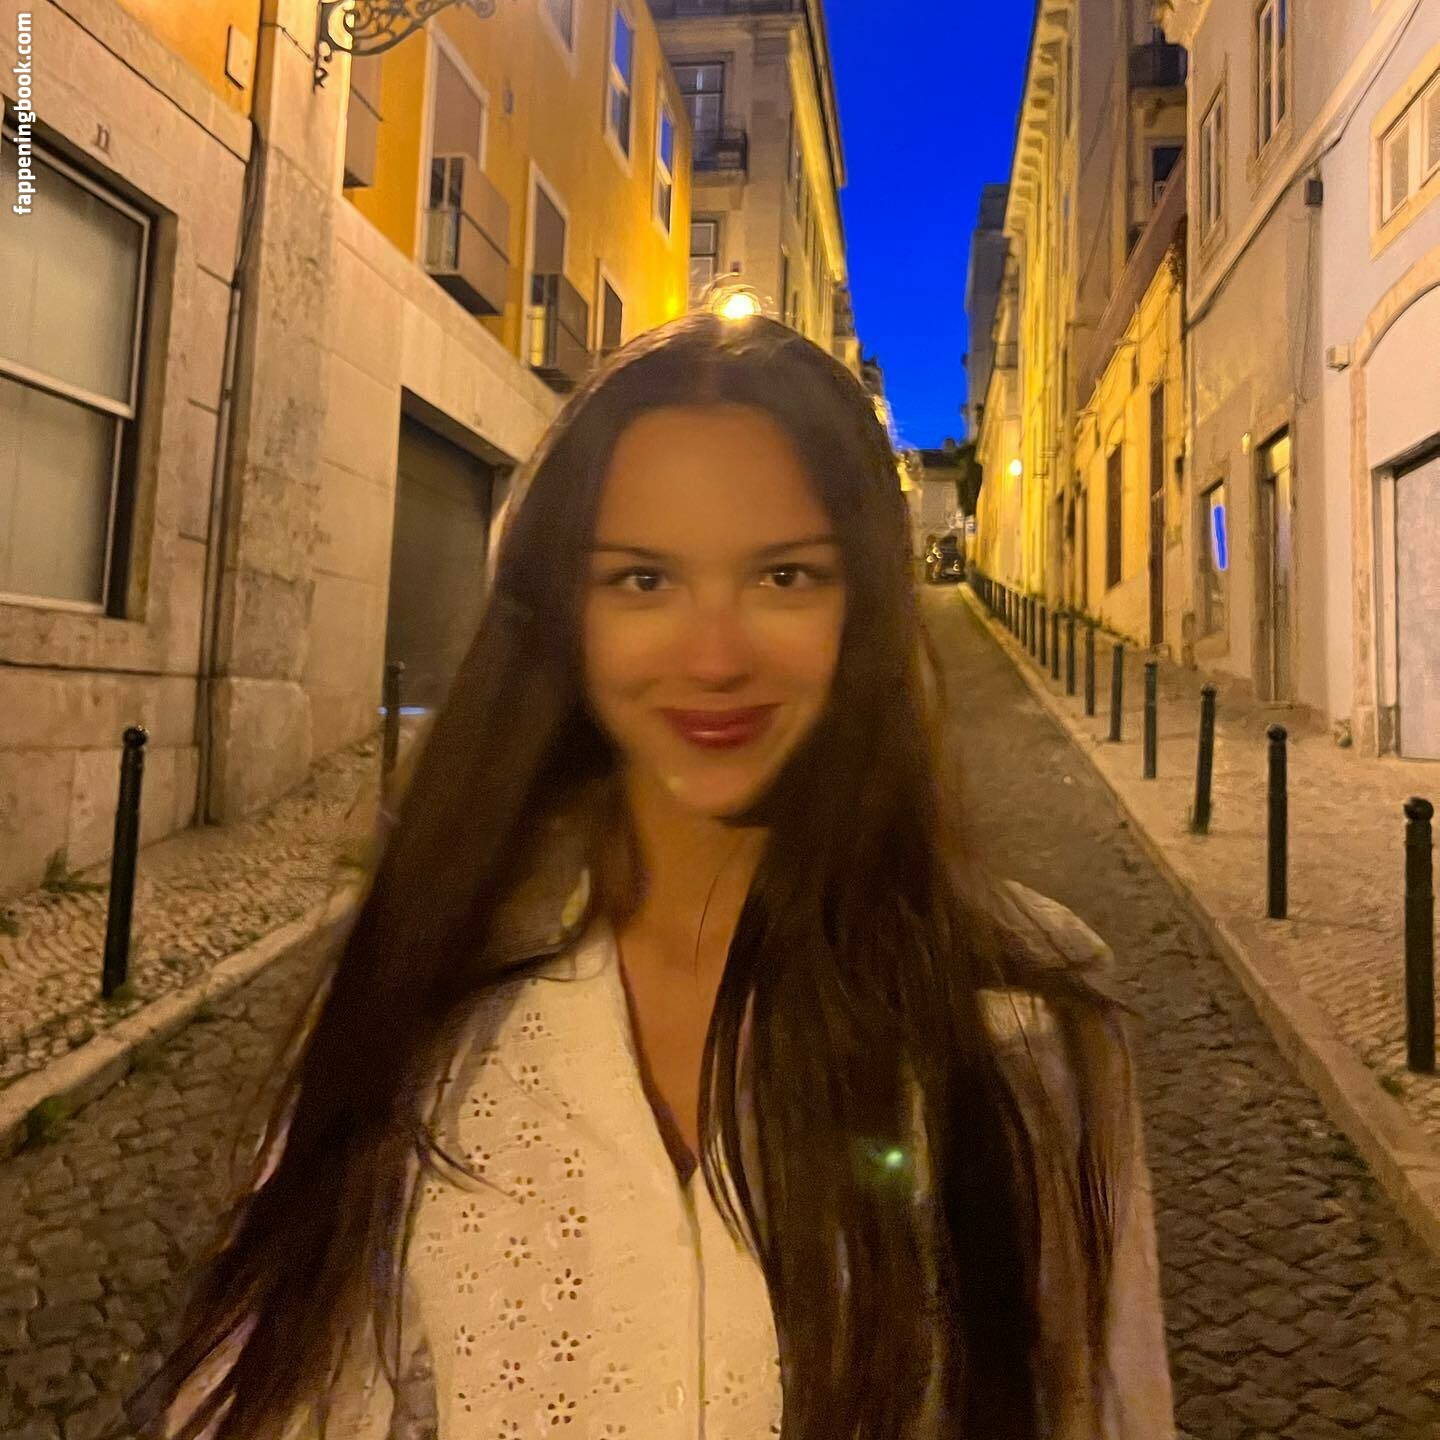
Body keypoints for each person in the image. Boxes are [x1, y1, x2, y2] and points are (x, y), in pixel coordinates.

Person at [134, 313, 1175, 1439]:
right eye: (642, 580)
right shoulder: (424, 1005)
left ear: (865, 609)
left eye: (784, 575)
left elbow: (1102, 1405)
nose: (714, 656)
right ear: (564, 615)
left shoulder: (1023, 1015)